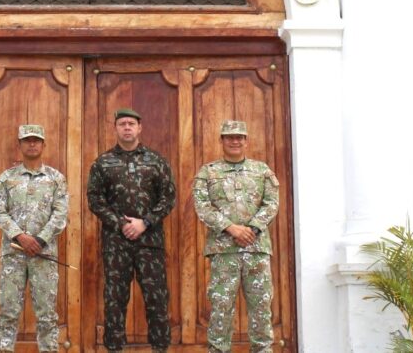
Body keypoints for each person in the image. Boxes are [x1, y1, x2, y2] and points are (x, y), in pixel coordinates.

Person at [86, 108, 176, 353]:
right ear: (115, 128)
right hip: (116, 244)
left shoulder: (156, 161)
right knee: (115, 301)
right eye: (122, 123)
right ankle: (114, 349)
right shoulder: (103, 163)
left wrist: (144, 223)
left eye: (131, 123)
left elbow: (168, 198)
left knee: (156, 299)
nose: (127, 127)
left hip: (150, 243)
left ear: (140, 128)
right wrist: (120, 223)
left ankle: (160, 348)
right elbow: (95, 199)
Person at [191, 120, 280, 353]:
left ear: (246, 140)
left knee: (261, 307)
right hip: (223, 251)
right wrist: (231, 227)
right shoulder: (208, 172)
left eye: (239, 136)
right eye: (229, 137)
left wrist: (253, 228)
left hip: (256, 249)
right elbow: (202, 206)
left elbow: (272, 203)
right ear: (221, 140)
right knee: (221, 308)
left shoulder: (261, 170)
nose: (235, 141)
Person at [0, 124, 69, 353]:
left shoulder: (56, 178)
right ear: (19, 145)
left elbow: (60, 213)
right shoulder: (7, 178)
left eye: (36, 140)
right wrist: (21, 237)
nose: (32, 144)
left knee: (46, 314)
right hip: (13, 254)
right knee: (7, 313)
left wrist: (41, 240)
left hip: (44, 255)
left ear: (44, 145)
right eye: (27, 140)